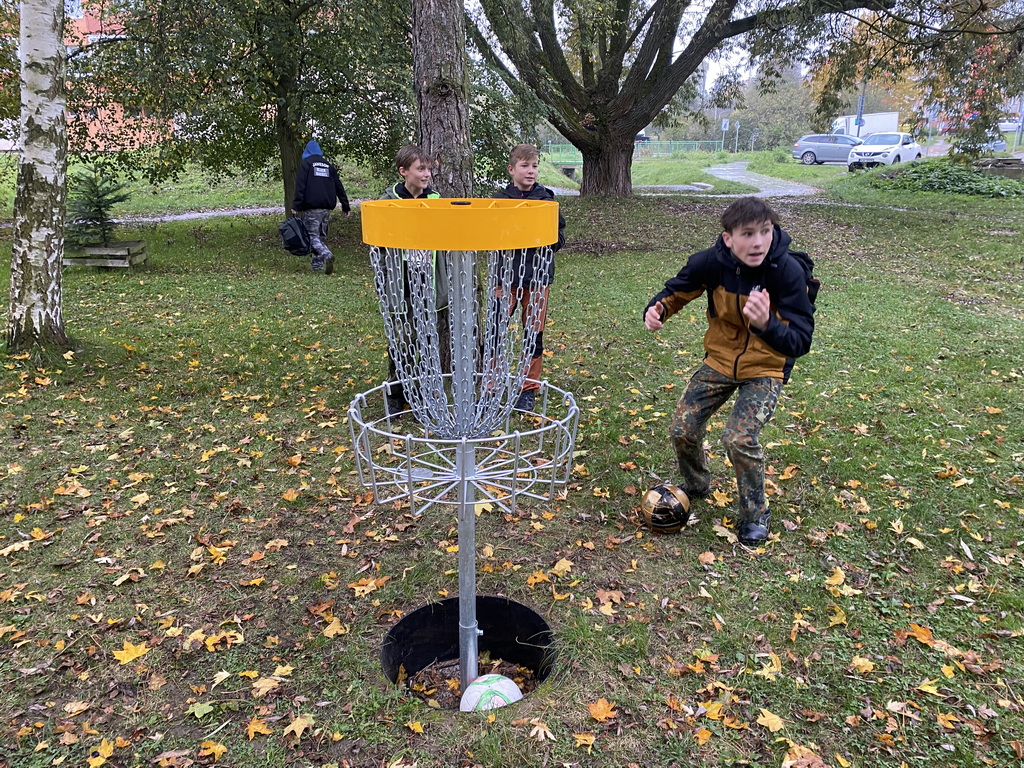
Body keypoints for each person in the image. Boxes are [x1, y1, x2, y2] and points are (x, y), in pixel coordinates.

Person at [643, 197, 814, 546]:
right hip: (720, 361)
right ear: (728, 238)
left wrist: (766, 324)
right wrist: (657, 309)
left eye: (765, 231)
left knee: (738, 438)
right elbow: (676, 292)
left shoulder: (787, 271)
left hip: (766, 367)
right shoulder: (711, 263)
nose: (758, 242)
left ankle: (755, 514)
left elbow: (800, 340)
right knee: (682, 429)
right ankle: (696, 485)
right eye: (747, 234)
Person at [493, 143, 565, 412]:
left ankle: (528, 388)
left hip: (537, 278)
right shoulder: (500, 200)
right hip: (505, 278)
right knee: (495, 332)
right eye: (524, 166)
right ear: (512, 169)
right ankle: (491, 386)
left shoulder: (547, 200)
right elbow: (492, 235)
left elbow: (558, 238)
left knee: (533, 334)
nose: (530, 171)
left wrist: (541, 237)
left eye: (534, 166)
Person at [378, 146, 447, 416]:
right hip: (402, 281)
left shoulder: (436, 201)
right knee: (402, 340)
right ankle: (396, 393)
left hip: (428, 280)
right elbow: (380, 243)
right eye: (421, 169)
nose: (427, 174)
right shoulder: (389, 202)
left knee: (427, 340)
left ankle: (422, 394)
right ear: (404, 171)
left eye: (429, 169)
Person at [291, 139, 350, 275]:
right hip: (326, 208)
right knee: (321, 236)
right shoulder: (328, 166)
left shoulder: (306, 164)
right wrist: (345, 206)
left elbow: (300, 186)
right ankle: (317, 265)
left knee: (311, 236)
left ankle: (326, 254)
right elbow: (339, 186)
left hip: (312, 208)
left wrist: (296, 205)